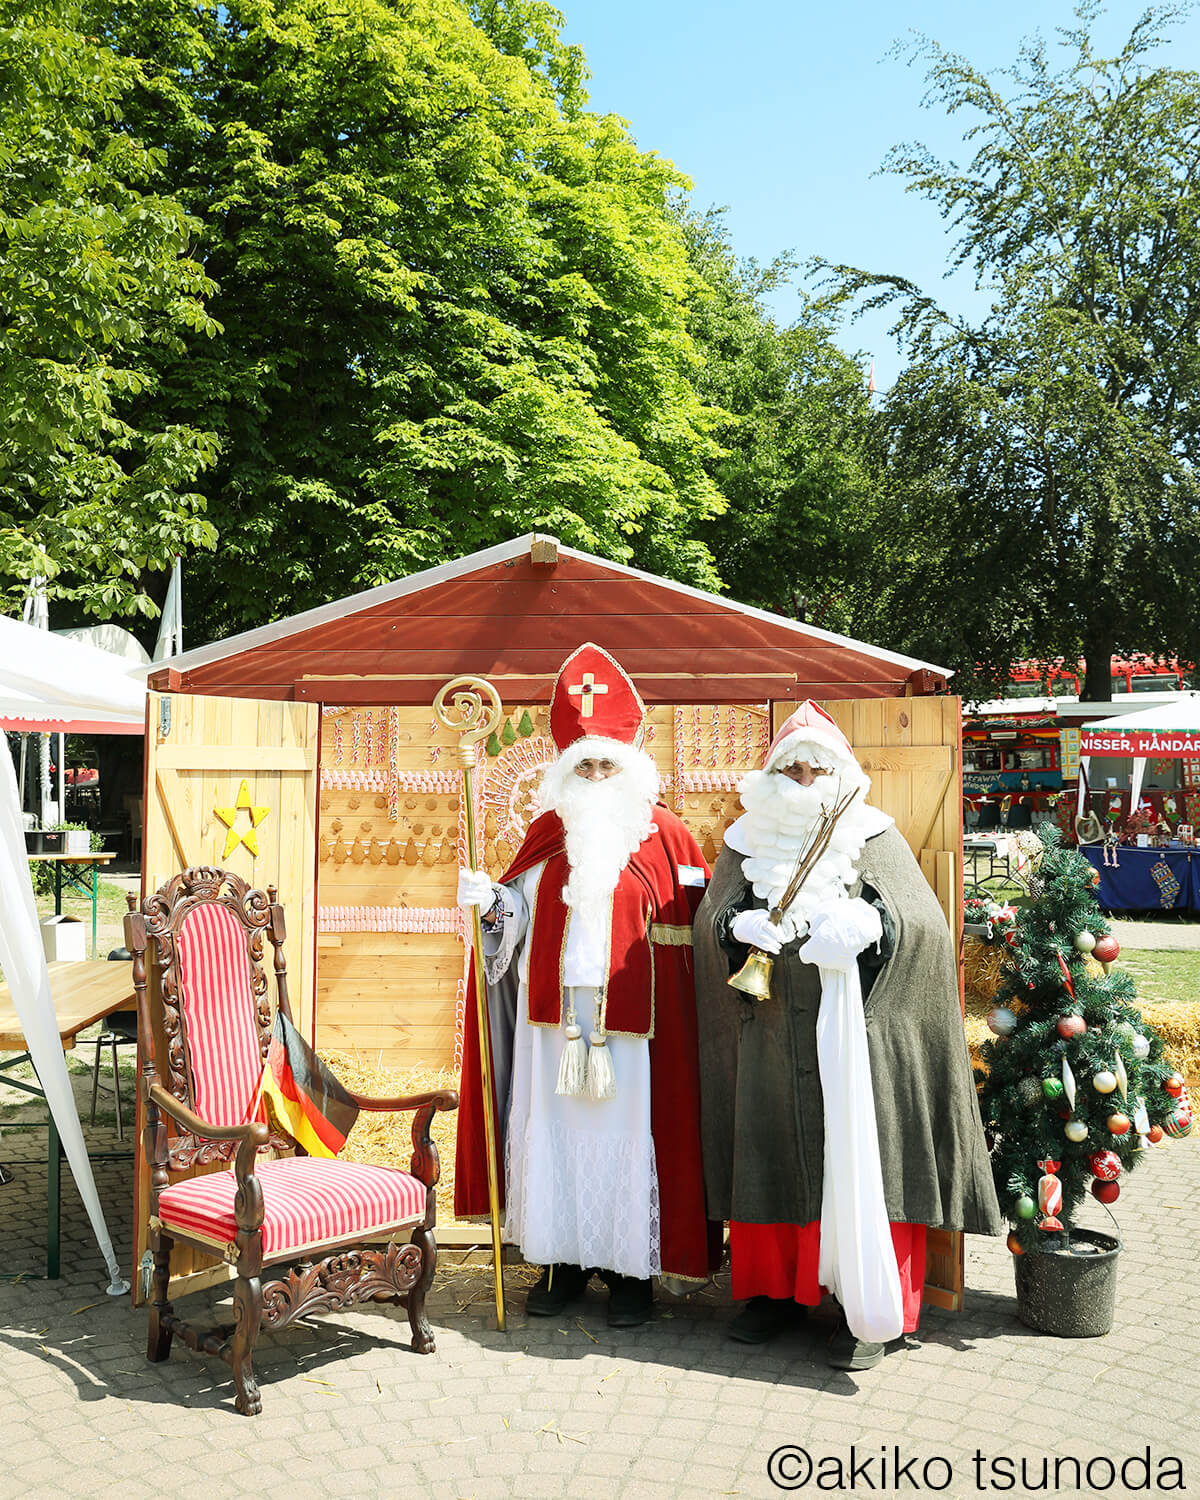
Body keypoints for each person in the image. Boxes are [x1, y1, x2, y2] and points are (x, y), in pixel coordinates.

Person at [694, 701, 1002, 1369]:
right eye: (792, 766)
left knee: (862, 1159)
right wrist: (734, 928)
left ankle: (867, 1309)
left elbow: (921, 925)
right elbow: (711, 915)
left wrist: (871, 930)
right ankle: (773, 1295)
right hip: (770, 1032)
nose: (804, 776)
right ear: (772, 771)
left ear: (841, 770)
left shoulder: (873, 833)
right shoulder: (746, 838)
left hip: (852, 1035)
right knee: (770, 1153)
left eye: (818, 765)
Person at [454, 643, 718, 1326]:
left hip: (636, 1035)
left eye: (607, 764)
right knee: (558, 1142)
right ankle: (561, 1264)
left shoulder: (667, 837)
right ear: (566, 771)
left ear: (630, 768)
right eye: (585, 765)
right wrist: (491, 904)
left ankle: (631, 1274)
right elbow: (514, 923)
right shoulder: (546, 832)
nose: (597, 775)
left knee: (627, 1146)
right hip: (553, 1025)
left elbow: (698, 928)